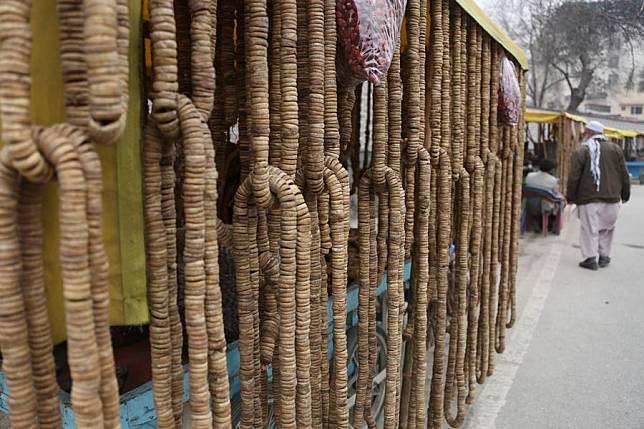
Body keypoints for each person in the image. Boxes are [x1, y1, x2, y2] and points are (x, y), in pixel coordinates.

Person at [566, 121, 631, 271]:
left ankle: (590, 259)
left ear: (588, 132)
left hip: (589, 199)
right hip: (612, 198)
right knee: (606, 229)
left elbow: (574, 177)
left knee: (590, 229)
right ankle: (604, 256)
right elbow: (624, 175)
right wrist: (625, 195)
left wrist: (571, 197)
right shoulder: (616, 149)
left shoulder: (582, 151)